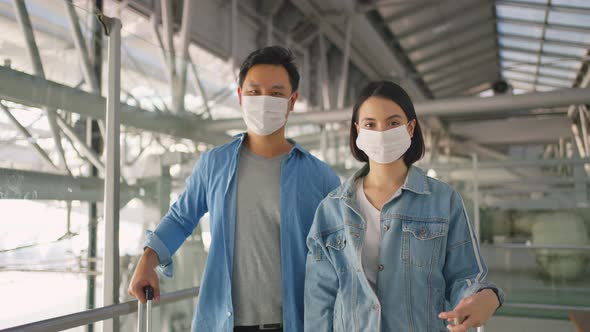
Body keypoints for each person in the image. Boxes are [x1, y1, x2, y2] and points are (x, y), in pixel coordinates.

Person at [128, 46, 340, 332]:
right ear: (240, 97)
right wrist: (147, 260)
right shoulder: (215, 164)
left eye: (276, 93)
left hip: (294, 323)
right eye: (254, 92)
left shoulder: (320, 176)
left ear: (292, 102)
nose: (264, 101)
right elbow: (181, 218)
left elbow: (340, 252)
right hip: (223, 322)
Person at [304, 81, 503, 332]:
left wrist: (485, 295)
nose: (381, 132)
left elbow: (465, 275)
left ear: (410, 128)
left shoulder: (443, 200)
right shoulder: (331, 209)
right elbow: (319, 299)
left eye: (393, 123)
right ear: (357, 131)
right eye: (370, 124)